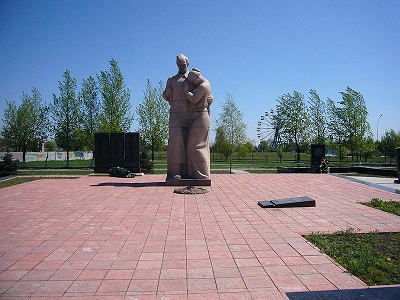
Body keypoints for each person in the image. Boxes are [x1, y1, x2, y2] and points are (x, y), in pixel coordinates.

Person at [163, 54, 191, 179]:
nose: (181, 67)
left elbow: (204, 91)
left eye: (183, 65)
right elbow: (165, 96)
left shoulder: (193, 78)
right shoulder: (172, 79)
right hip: (175, 113)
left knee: (190, 142)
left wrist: (209, 98)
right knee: (176, 142)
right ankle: (176, 171)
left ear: (187, 64)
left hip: (191, 113)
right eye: (179, 65)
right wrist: (167, 93)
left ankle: (192, 171)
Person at [184, 68, 212, 179]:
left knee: (195, 146)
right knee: (197, 146)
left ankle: (202, 175)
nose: (192, 83)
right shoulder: (205, 85)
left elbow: (194, 99)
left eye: (192, 80)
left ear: (197, 76)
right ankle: (197, 173)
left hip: (201, 117)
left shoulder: (203, 86)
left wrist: (186, 91)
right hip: (199, 117)